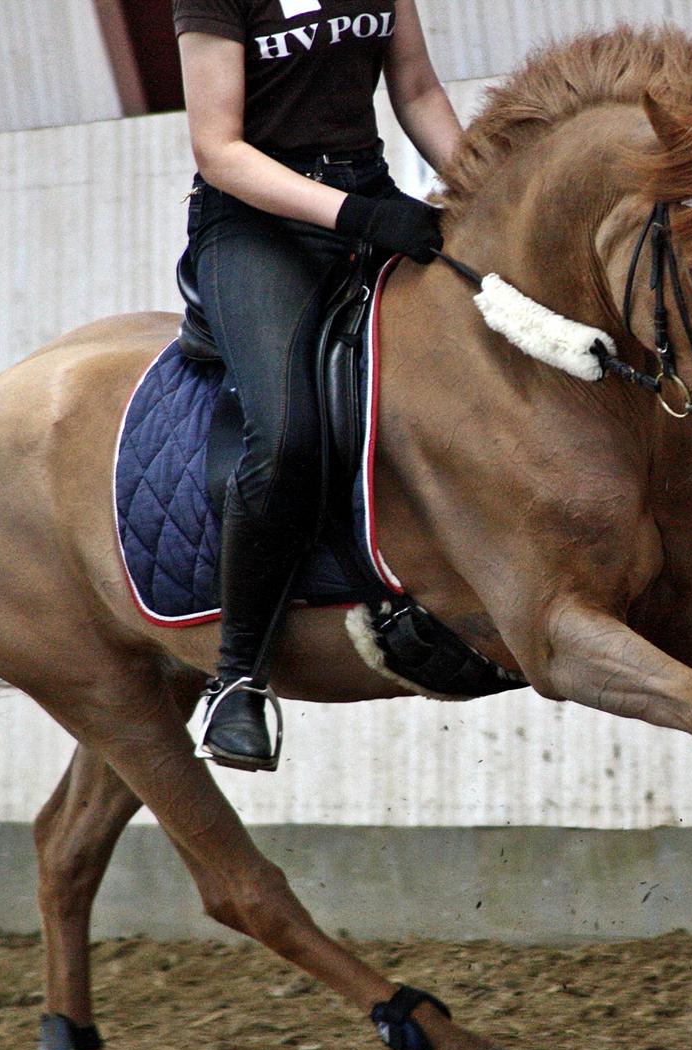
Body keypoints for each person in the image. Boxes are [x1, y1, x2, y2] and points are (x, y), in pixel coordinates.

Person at [173, 0, 463, 769]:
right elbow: (219, 149)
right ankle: (236, 681)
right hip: (256, 225)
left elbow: (419, 91)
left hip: (366, 194)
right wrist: (355, 219)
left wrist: (479, 189)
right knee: (289, 436)